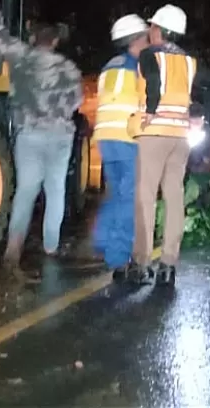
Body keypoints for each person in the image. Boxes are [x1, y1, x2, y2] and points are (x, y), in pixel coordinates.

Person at [0, 0, 84, 271]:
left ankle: (14, 247)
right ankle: (50, 246)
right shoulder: (69, 69)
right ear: (55, 41)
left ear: (34, 39)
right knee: (55, 190)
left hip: (30, 135)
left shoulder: (21, 58)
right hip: (60, 137)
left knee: (26, 189)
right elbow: (76, 102)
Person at [126, 4, 210, 286]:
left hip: (154, 133)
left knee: (145, 197)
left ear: (161, 31)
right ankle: (168, 263)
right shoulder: (190, 62)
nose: (150, 31)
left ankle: (142, 262)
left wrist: (152, 109)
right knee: (174, 196)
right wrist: (201, 114)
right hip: (179, 137)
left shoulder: (148, 55)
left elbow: (153, 81)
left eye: (153, 26)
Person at [91, 15, 151, 280]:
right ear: (138, 39)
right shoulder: (139, 68)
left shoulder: (109, 67)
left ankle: (102, 241)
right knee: (129, 198)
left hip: (106, 138)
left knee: (116, 193)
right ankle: (118, 258)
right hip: (128, 138)